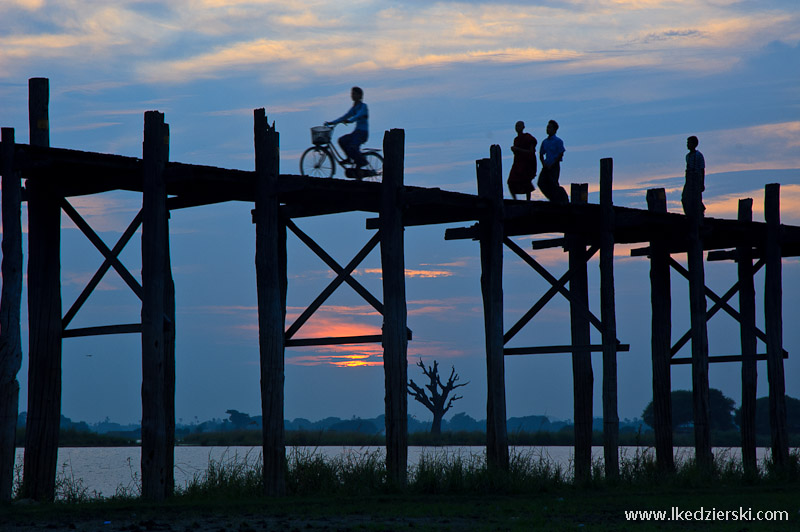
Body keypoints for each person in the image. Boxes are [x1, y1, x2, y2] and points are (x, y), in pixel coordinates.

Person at [325, 86, 369, 178]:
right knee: (342, 140)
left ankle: (362, 161)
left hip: (362, 133)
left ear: (359, 95)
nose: (352, 95)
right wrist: (332, 123)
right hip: (356, 132)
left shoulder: (363, 106)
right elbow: (345, 116)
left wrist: (351, 120)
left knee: (352, 147)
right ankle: (349, 159)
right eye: (352, 93)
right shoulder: (354, 107)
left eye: (354, 93)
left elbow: (358, 115)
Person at [538, 119, 569, 204]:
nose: (547, 129)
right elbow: (541, 154)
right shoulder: (545, 142)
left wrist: (553, 163)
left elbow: (561, 153)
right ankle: (552, 198)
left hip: (554, 165)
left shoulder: (558, 141)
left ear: (554, 130)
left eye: (550, 128)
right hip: (546, 165)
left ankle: (561, 197)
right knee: (541, 183)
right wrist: (543, 164)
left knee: (553, 184)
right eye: (547, 127)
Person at [507, 121, 537, 200]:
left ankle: (528, 200)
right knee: (511, 181)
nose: (517, 127)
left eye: (519, 126)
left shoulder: (528, 137)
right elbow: (516, 154)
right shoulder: (516, 139)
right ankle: (515, 200)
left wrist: (518, 149)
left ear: (523, 127)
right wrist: (515, 150)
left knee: (526, 182)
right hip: (517, 163)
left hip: (526, 163)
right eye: (516, 126)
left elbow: (531, 152)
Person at [681, 135, 706, 214]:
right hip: (689, 180)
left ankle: (700, 212)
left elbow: (702, 170)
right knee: (685, 198)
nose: (688, 145)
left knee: (696, 199)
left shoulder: (699, 155)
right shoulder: (687, 156)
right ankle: (688, 213)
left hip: (696, 180)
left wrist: (702, 183)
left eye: (689, 143)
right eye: (687, 143)